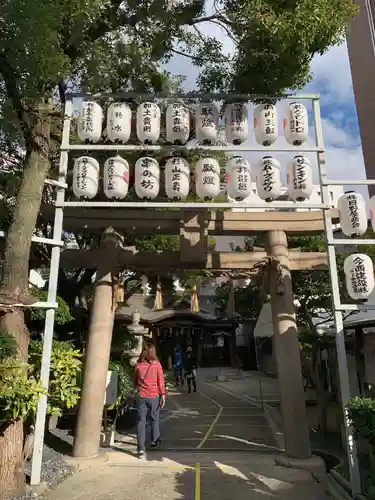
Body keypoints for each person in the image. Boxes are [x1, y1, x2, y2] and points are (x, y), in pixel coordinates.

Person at [133, 344, 166, 458]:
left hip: (142, 396)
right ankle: (154, 441)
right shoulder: (157, 365)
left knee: (141, 422)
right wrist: (163, 395)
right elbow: (160, 381)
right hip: (154, 396)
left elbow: (135, 381)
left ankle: (141, 448)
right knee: (154, 419)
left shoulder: (138, 365)